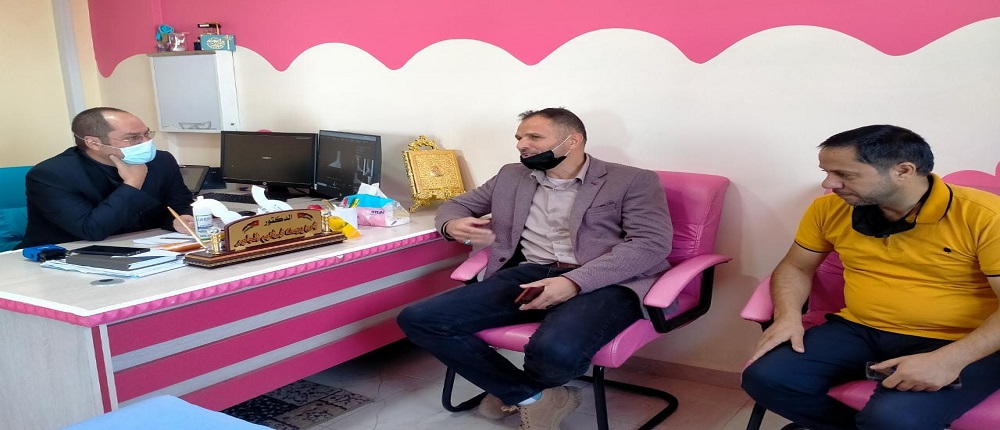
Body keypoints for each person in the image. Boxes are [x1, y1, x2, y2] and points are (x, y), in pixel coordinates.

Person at [397, 107, 672, 429]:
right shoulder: (512, 175)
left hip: (606, 280)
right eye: (519, 137)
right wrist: (451, 223)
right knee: (420, 319)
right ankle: (530, 396)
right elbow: (457, 205)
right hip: (531, 272)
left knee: (555, 350)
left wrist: (573, 282)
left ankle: (520, 391)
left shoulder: (632, 180)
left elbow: (651, 244)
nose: (521, 145)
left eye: (534, 137)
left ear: (573, 141)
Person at [741, 125, 1000, 430]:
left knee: (893, 418)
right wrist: (787, 317)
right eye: (826, 172)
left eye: (844, 174)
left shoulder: (986, 216)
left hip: (962, 338)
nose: (829, 183)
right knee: (766, 379)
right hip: (861, 328)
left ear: (903, 171)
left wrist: (950, 359)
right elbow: (796, 267)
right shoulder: (830, 208)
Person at [17, 107, 195, 249]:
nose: (145, 142)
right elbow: (91, 230)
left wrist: (178, 220)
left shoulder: (161, 161)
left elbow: (180, 204)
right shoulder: (51, 174)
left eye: (147, 134)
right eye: (133, 138)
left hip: (138, 248)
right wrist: (132, 184)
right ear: (94, 143)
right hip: (62, 256)